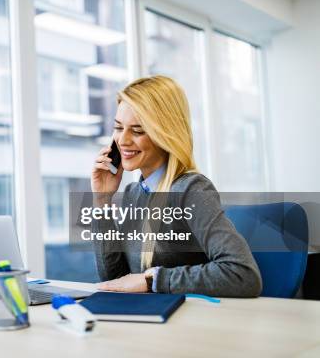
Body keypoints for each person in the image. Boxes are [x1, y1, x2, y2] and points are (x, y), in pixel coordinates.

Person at [91, 75, 262, 297]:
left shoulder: (191, 190)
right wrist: (101, 200)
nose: (122, 140)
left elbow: (243, 274)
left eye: (138, 130)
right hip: (148, 318)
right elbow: (115, 280)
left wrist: (152, 280)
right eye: (118, 127)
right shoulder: (134, 193)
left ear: (165, 134)